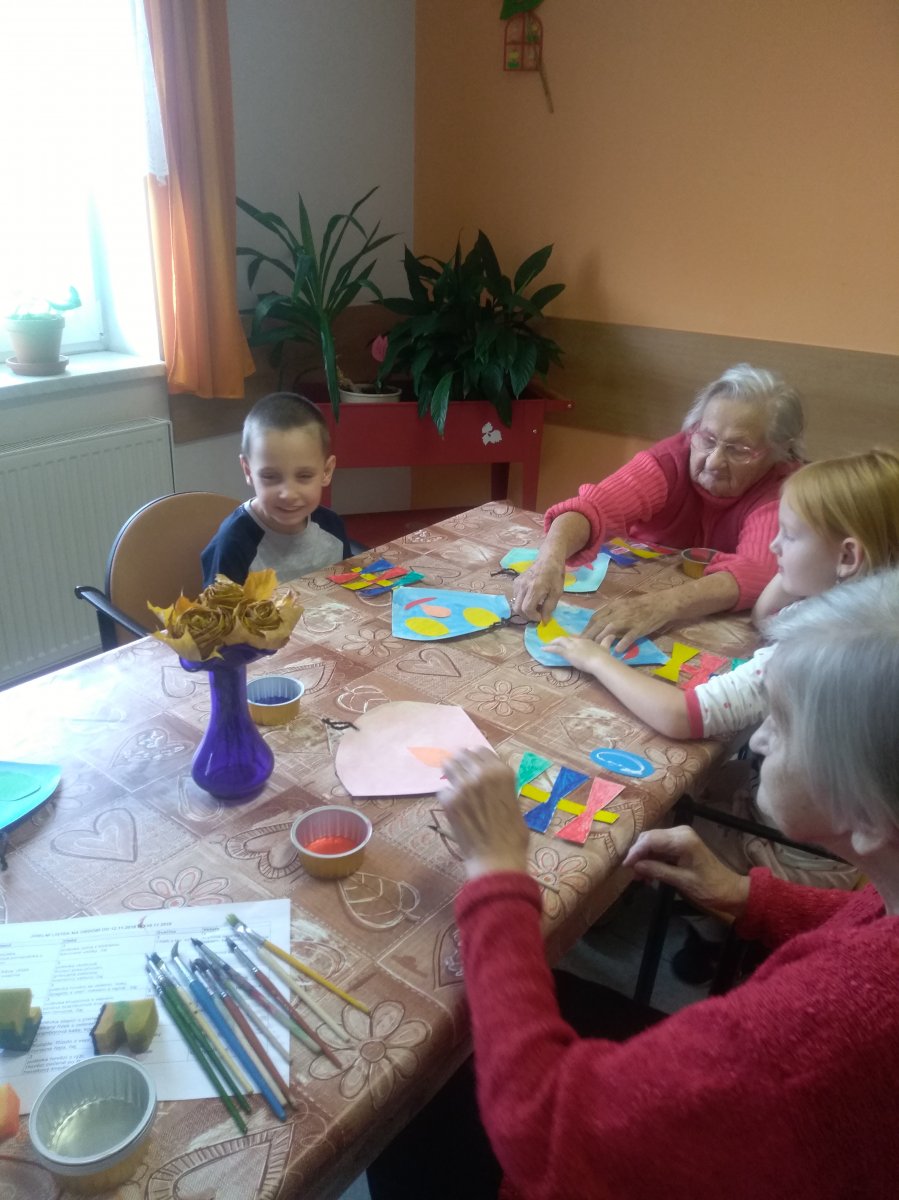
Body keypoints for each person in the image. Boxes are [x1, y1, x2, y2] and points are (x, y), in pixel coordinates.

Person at [372, 571, 899, 1200]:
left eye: (782, 724)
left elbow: (541, 1130)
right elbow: (872, 927)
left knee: (404, 1096)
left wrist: (497, 874)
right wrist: (746, 895)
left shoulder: (806, 1047)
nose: (757, 739)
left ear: (869, 816)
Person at [552, 449, 899, 978]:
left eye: (790, 536)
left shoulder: (814, 657)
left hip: (799, 851)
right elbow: (766, 613)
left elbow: (680, 715)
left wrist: (595, 659)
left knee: (648, 810)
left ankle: (706, 932)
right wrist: (798, 567)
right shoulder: (863, 619)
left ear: (848, 556)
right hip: (823, 822)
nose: (773, 546)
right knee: (706, 779)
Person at [513, 363, 804, 649]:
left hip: (697, 623)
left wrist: (663, 605)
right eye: (707, 439)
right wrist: (549, 560)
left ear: (779, 452)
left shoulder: (783, 488)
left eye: (739, 450)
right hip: (633, 595)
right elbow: (592, 507)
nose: (714, 461)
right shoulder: (669, 460)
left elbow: (758, 570)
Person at [201, 391, 351, 585]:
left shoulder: (332, 527)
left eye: (304, 476)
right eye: (270, 476)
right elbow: (219, 605)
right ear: (248, 471)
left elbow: (348, 589)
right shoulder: (231, 545)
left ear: (326, 471)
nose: (288, 494)